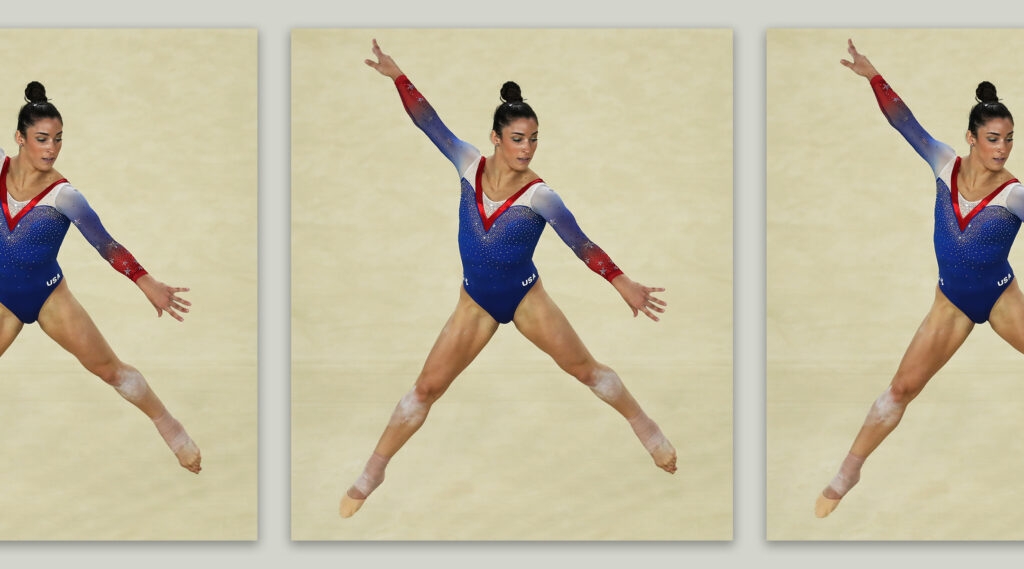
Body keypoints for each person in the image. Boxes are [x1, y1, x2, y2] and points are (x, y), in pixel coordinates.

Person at [340, 39, 677, 518]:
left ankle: (643, 425)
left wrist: (621, 281)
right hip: (475, 301)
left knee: (586, 370)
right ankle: (373, 469)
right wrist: (399, 77)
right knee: (425, 390)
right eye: (518, 138)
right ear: (496, 138)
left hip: (525, 298)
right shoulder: (467, 163)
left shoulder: (541, 196)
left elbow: (580, 242)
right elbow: (427, 122)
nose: (528, 148)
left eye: (534, 138)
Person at [816, 39, 1024, 518]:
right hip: (950, 303)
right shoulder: (943, 163)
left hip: (1000, 299)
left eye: (1010, 138)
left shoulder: (1013, 195)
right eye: (994, 138)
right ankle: (849, 470)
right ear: (971, 138)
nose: (1003, 148)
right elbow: (902, 122)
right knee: (901, 389)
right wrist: (873, 76)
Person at [0, 81, 201, 474]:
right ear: (20, 138)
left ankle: (168, 425)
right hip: (3, 299)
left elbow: (105, 244)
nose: (52, 148)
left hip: (48, 298)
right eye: (42, 139)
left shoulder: (64, 195)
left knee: (110, 370)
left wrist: (146, 282)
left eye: (58, 139)